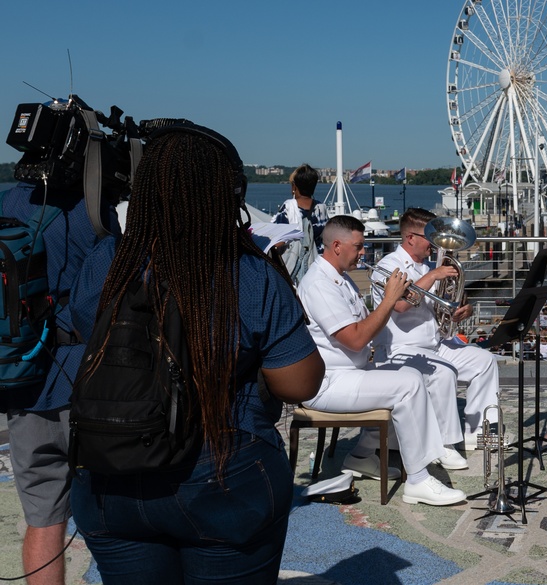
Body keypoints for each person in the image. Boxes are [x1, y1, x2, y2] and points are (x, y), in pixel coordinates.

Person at [69, 126, 324, 583]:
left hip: (112, 474)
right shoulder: (249, 273)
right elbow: (299, 383)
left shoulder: (106, 262)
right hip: (224, 472)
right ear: (229, 195)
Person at [0, 175, 121, 584]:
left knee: (43, 518)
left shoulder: (7, 202)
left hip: (20, 377)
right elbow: (112, 295)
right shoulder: (92, 212)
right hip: (86, 378)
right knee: (113, 514)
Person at [297, 215, 466, 505]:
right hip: (330, 381)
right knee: (408, 385)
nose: (364, 253)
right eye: (359, 246)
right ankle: (418, 479)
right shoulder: (318, 284)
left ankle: (362, 456)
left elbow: (366, 331)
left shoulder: (341, 279)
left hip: (354, 370)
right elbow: (356, 339)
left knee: (409, 374)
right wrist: (390, 299)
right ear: (337, 246)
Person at [372, 208, 500, 452]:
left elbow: (443, 306)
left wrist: (462, 310)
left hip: (435, 344)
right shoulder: (389, 265)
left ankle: (477, 432)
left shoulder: (428, 266)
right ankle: (444, 445)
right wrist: (434, 275)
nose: (435, 243)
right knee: (445, 373)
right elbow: (398, 305)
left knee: (484, 361)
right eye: (429, 236)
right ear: (410, 238)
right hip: (402, 349)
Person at [272, 163, 329, 284]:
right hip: (318, 268)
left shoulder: (289, 207)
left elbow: (277, 241)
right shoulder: (321, 208)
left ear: (294, 187)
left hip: (295, 271)